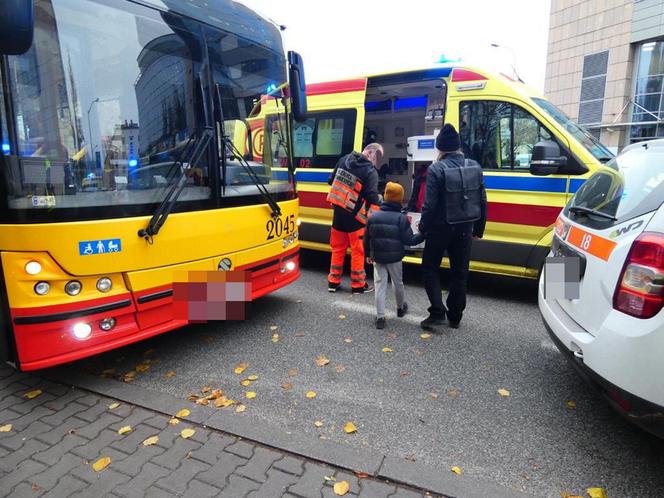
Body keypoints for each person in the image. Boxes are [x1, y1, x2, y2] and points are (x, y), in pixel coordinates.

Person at [418, 124, 487, 330]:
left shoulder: (436, 169)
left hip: (440, 228)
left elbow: (429, 205)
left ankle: (437, 311)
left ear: (440, 148)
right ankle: (455, 316)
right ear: (458, 147)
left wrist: (423, 227)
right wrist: (478, 229)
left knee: (430, 267)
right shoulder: (474, 166)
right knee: (460, 272)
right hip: (465, 227)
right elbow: (482, 199)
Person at [364, 182, 424, 329]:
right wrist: (423, 235)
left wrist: (368, 254)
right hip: (395, 258)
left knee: (380, 285)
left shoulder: (373, 216)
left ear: (385, 197)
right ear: (399, 199)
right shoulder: (401, 218)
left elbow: (367, 239)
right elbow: (409, 240)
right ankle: (400, 308)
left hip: (378, 257)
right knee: (398, 283)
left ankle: (380, 317)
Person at [326, 143, 383, 294]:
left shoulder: (344, 159)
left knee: (338, 248)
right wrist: (380, 199)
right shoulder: (370, 171)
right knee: (358, 250)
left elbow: (330, 181)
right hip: (355, 216)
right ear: (370, 152)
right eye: (377, 157)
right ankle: (358, 285)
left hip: (338, 212)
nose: (376, 161)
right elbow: (371, 196)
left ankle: (333, 282)